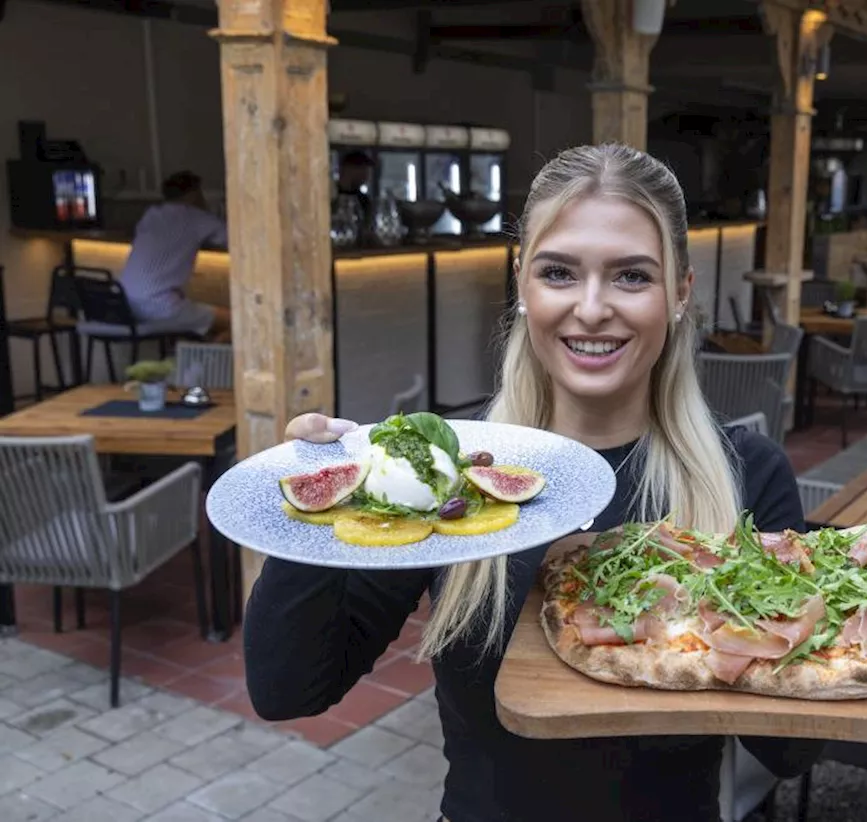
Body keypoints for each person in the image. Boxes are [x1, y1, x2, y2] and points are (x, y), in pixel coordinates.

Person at [243, 144, 825, 822]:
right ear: (523, 284)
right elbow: (289, 689)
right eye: (559, 272)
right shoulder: (450, 469)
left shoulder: (746, 473)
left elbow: (790, 753)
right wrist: (312, 510)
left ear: (681, 292)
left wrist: (811, 597)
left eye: (632, 276)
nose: (592, 307)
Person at [118, 171, 231, 342]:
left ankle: (200, 356)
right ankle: (210, 360)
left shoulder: (151, 214)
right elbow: (235, 240)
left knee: (206, 325)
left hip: (128, 306)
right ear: (194, 194)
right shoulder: (196, 217)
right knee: (237, 321)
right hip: (163, 307)